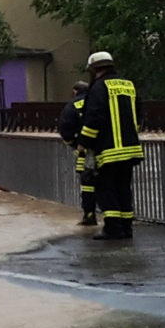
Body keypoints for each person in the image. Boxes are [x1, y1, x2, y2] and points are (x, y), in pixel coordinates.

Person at [78, 52, 143, 240]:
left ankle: (113, 229)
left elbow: (93, 119)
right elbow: (138, 115)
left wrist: (84, 143)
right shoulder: (128, 85)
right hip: (131, 149)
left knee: (106, 188)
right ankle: (127, 228)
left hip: (109, 151)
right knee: (123, 187)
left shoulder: (98, 87)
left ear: (94, 68)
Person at [58, 80, 97, 226]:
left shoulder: (73, 105)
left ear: (75, 91)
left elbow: (65, 128)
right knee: (109, 184)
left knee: (87, 185)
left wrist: (74, 145)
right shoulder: (98, 101)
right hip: (106, 149)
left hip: (84, 153)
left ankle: (89, 215)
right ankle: (115, 218)